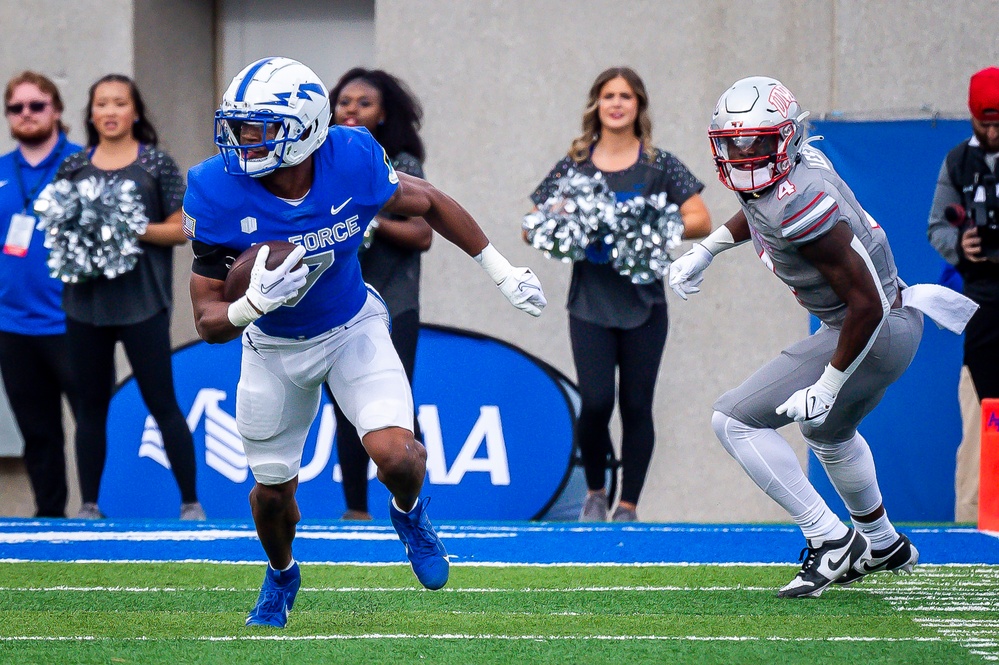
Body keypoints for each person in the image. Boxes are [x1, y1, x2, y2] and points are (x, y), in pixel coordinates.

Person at [185, 57, 545, 627]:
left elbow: (427, 201)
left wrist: (501, 269)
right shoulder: (213, 187)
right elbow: (207, 319)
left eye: (260, 129)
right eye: (238, 126)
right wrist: (254, 304)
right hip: (273, 347)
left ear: (304, 127)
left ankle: (409, 514)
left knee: (399, 457)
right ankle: (281, 574)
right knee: (272, 496)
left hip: (352, 326)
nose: (243, 141)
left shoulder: (350, 157)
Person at [670, 76, 975, 598]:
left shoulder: (800, 201)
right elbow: (758, 211)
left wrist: (829, 382)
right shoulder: (792, 173)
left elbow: (866, 302)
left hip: (870, 326)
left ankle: (831, 540)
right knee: (828, 435)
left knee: (733, 420)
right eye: (734, 144)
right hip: (888, 322)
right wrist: (709, 249)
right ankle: (881, 542)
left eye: (757, 143)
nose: (744, 156)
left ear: (785, 139)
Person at [529, 67, 711, 522]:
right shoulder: (575, 162)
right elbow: (534, 221)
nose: (616, 103)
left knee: (635, 404)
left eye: (625, 96)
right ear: (596, 103)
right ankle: (595, 490)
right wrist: (571, 229)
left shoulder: (660, 164)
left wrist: (645, 229)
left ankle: (628, 504)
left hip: (645, 304)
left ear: (638, 105)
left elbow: (701, 220)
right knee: (594, 403)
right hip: (589, 303)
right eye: (608, 95)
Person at [55, 74, 203, 520]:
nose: (110, 111)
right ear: (91, 112)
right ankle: (89, 505)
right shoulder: (73, 166)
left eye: (120, 103)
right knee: (90, 405)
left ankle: (191, 504)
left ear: (135, 111)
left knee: (162, 401)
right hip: (85, 305)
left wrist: (129, 228)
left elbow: (184, 228)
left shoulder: (157, 164)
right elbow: (58, 230)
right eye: (102, 104)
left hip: (143, 304)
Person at [328, 68, 432, 521]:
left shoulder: (401, 164)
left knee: (393, 403)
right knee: (346, 408)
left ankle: (411, 506)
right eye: (344, 101)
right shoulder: (320, 164)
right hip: (337, 304)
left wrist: (370, 218)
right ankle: (355, 511)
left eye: (364, 103)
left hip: (394, 303)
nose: (352, 110)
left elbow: (423, 233)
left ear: (384, 113)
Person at [0, 72, 82, 517]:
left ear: (56, 110)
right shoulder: (0, 171)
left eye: (36, 105)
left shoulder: (83, 164)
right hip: (12, 325)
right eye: (17, 108)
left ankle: (100, 511)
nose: (26, 114)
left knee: (95, 423)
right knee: (38, 433)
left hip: (75, 322)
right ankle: (49, 519)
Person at [927, 66, 999, 523]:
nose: (993, 132)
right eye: (984, 123)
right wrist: (961, 245)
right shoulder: (958, 161)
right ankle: (975, 518)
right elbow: (936, 225)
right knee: (979, 413)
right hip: (982, 305)